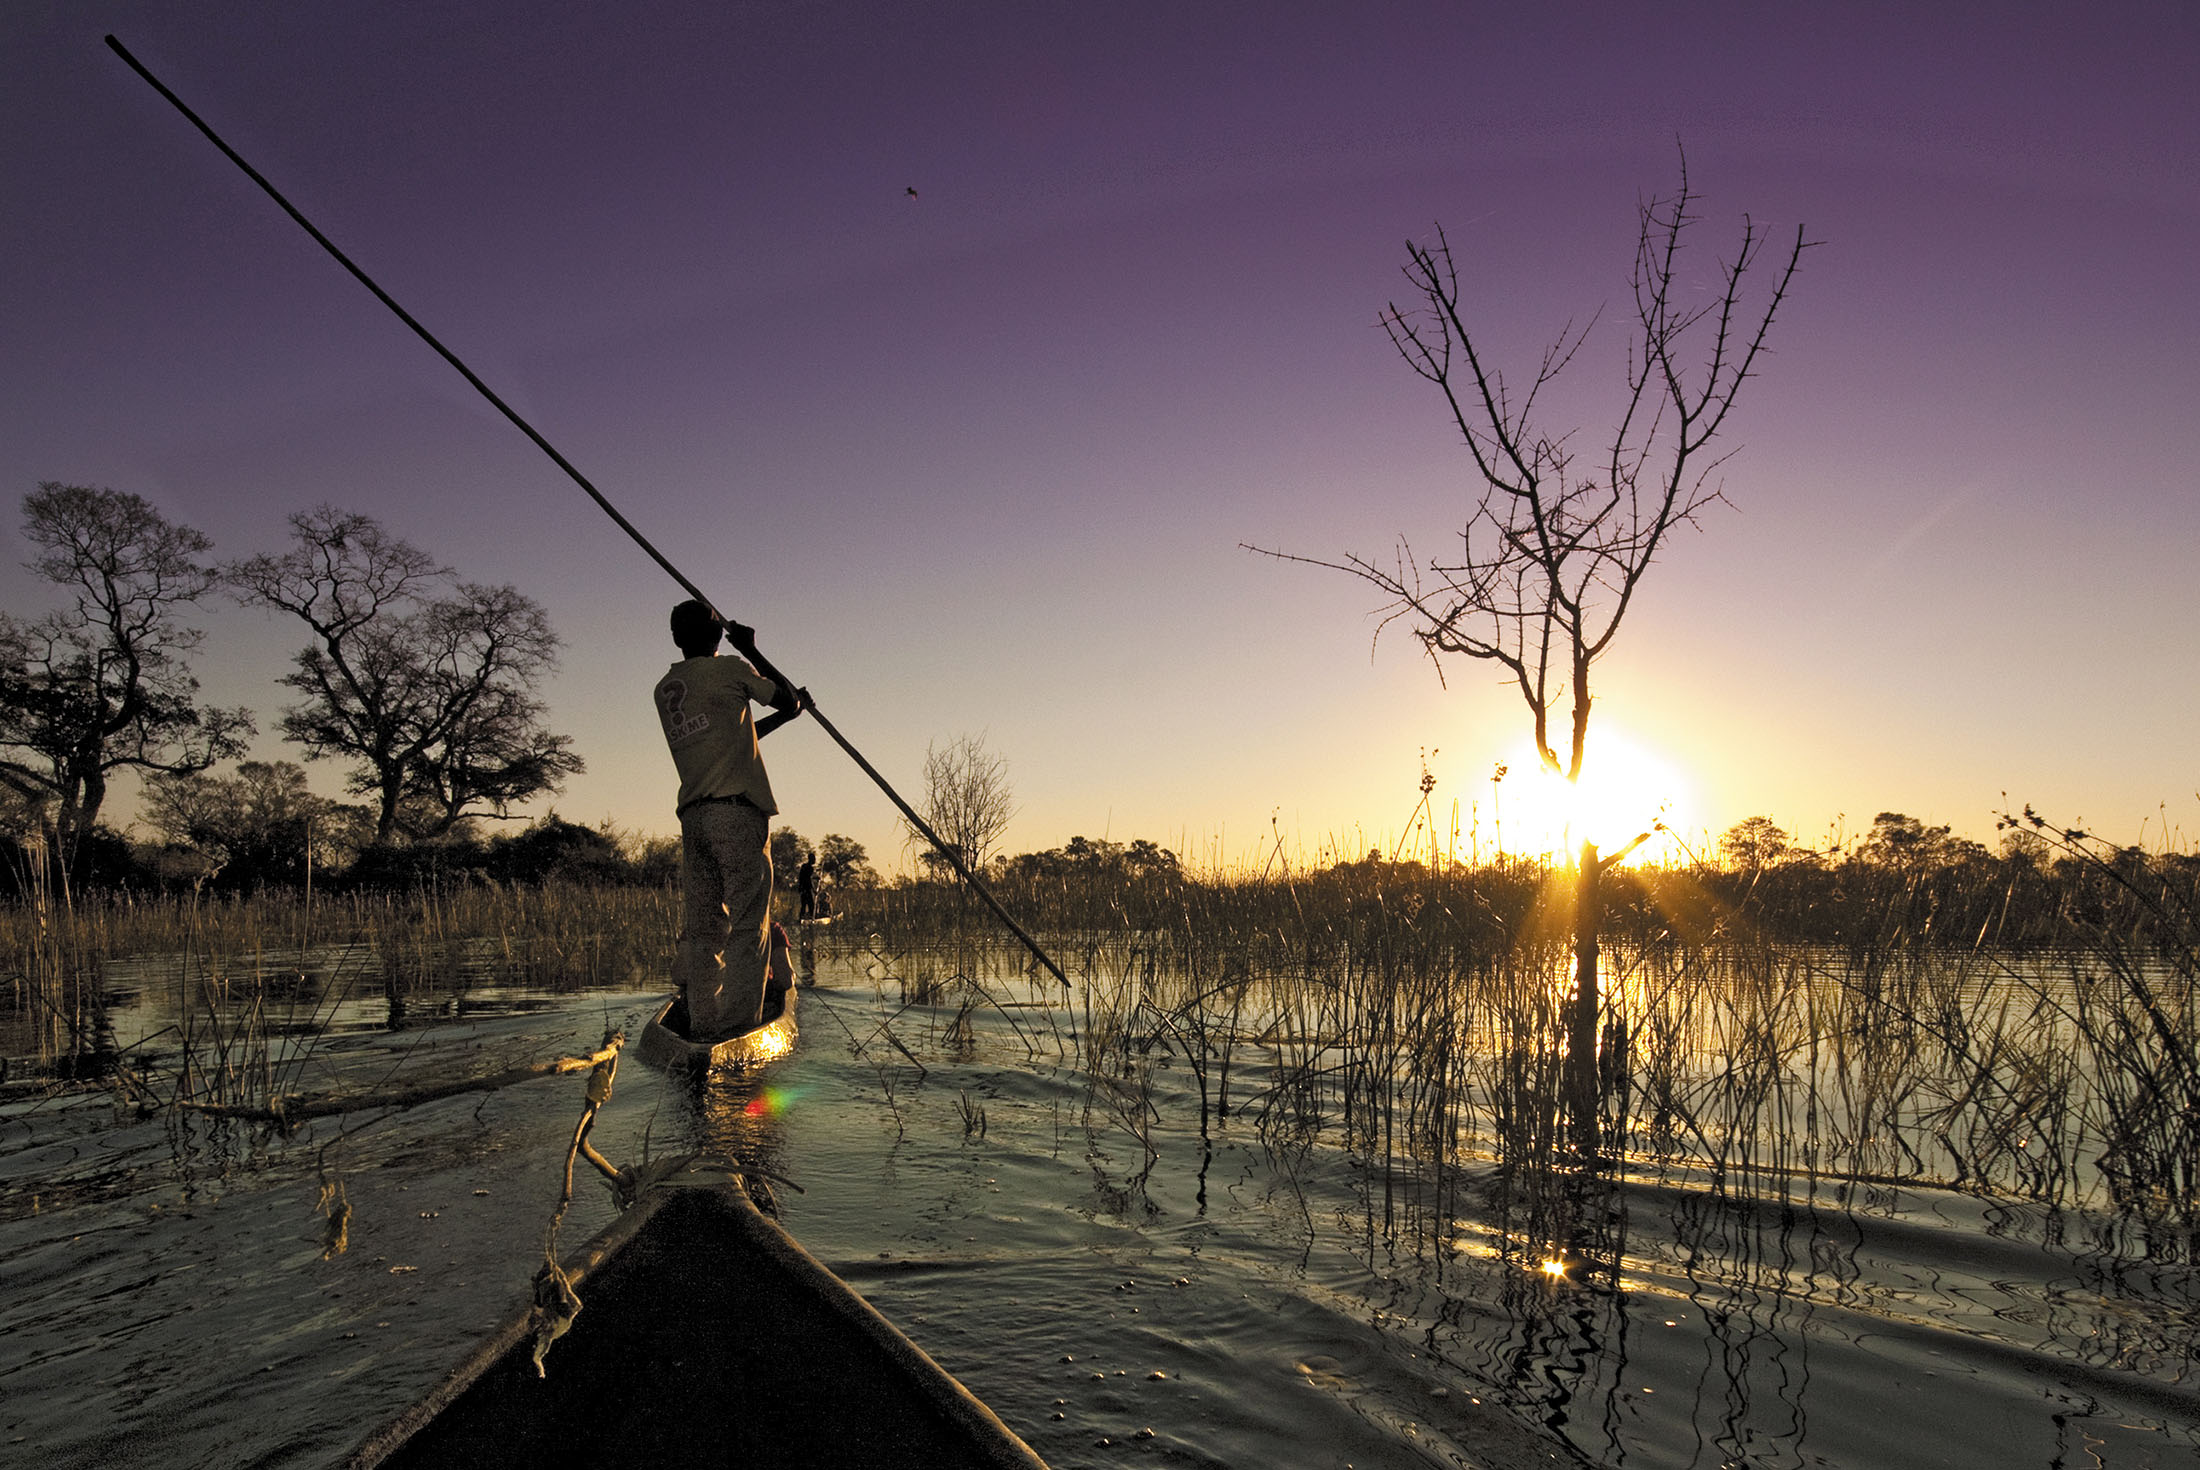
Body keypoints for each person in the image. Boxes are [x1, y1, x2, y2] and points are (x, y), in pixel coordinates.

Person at [653, 599, 804, 1038]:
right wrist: (752, 649)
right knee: (747, 924)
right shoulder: (732, 668)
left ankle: (703, 1025)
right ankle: (740, 1029)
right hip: (736, 813)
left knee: (704, 929)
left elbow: (738, 732)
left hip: (694, 818)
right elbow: (790, 700)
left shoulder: (665, 689)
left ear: (677, 638)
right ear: (720, 636)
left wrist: (780, 715)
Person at [797, 850, 820, 921]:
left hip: (802, 889)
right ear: (811, 859)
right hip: (806, 889)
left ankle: (801, 919)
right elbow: (808, 879)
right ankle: (812, 919)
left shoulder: (804, 866)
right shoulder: (810, 868)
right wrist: (813, 890)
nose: (815, 861)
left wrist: (816, 878)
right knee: (811, 905)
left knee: (803, 905)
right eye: (814, 859)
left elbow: (804, 877)